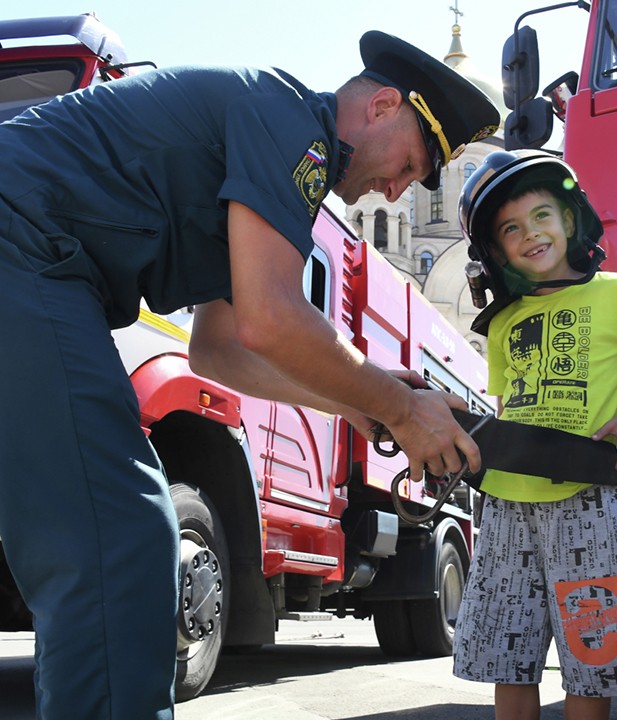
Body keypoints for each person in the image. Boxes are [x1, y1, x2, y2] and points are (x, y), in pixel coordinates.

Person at [0, 30, 499, 720]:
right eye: (410, 166)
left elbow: (222, 349)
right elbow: (273, 317)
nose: (395, 190)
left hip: (31, 256)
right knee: (123, 541)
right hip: (21, 243)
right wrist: (403, 409)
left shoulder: (273, 148)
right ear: (383, 106)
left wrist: (363, 405)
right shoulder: (296, 123)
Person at [452, 150, 617, 720]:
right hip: (507, 500)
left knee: (594, 651)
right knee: (506, 654)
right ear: (495, 250)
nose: (530, 234)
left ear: (569, 219)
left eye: (542, 216)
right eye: (511, 229)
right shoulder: (502, 322)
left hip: (587, 495)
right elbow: (507, 403)